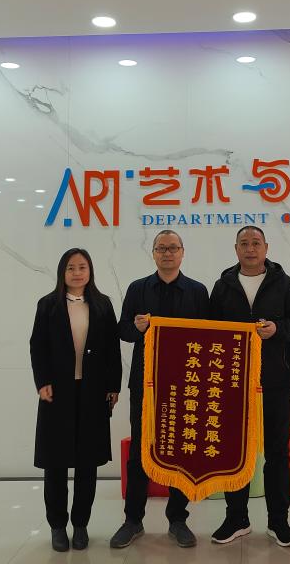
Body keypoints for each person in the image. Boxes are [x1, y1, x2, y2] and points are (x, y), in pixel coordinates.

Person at [208, 225, 290, 547]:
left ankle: (279, 521)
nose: (250, 249)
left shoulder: (284, 283)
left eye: (255, 243)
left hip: (275, 381)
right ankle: (236, 518)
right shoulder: (223, 286)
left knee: (277, 452)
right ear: (236, 249)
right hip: (233, 384)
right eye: (244, 244)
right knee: (234, 453)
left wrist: (279, 329)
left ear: (266, 247)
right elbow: (209, 329)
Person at [110, 230, 210, 549]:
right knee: (140, 450)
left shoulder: (197, 291)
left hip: (185, 384)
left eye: (173, 248)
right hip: (145, 382)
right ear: (153, 253)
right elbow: (122, 330)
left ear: (182, 252)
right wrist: (136, 328)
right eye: (161, 248)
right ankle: (133, 520)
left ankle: (177, 519)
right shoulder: (137, 289)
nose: (167, 253)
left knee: (181, 451)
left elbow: (210, 336)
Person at [30, 248, 122, 552]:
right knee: (55, 462)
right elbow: (38, 346)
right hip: (57, 392)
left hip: (93, 392)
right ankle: (58, 525)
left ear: (90, 271)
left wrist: (113, 386)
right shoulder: (48, 305)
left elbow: (112, 348)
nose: (77, 272)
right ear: (62, 272)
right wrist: (42, 381)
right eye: (71, 267)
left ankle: (80, 524)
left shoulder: (102, 304)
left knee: (87, 463)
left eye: (82, 267)